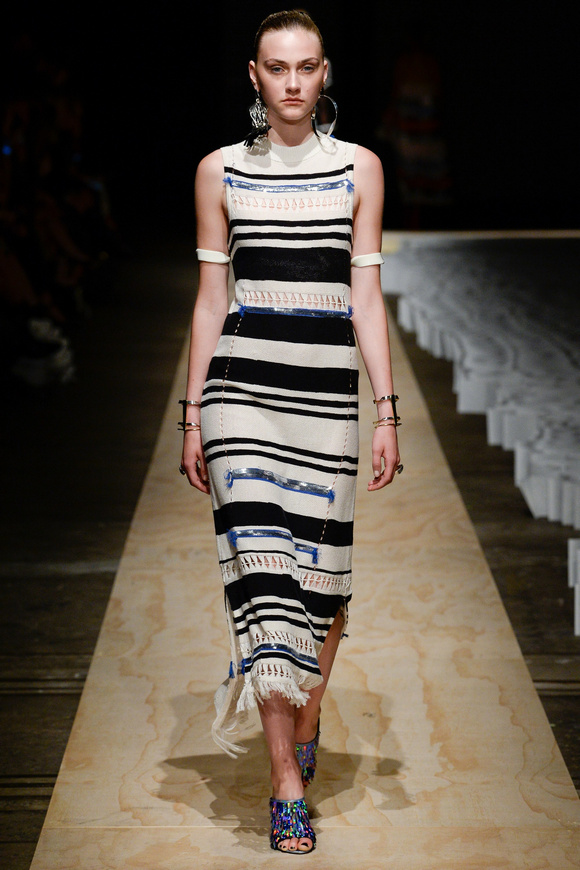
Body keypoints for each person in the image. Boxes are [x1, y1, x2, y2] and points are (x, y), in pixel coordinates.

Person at [180, 9, 401, 854]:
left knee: (323, 586)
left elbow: (366, 299)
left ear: (325, 71)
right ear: (254, 75)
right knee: (264, 581)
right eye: (278, 68)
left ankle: (307, 715)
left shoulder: (359, 169)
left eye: (306, 66)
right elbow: (210, 300)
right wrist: (193, 415)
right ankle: (284, 782)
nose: (294, 82)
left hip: (325, 400)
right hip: (240, 397)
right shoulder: (220, 171)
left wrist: (386, 410)